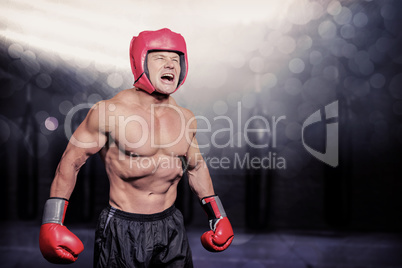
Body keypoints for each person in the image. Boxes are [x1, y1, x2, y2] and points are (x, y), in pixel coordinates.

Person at [39, 28, 234, 267]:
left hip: (171, 225)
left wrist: (218, 215)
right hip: (123, 228)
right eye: (160, 58)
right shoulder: (109, 112)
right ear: (141, 63)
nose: (170, 65)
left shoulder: (185, 117)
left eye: (176, 59)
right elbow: (71, 161)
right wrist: (52, 222)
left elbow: (196, 167)